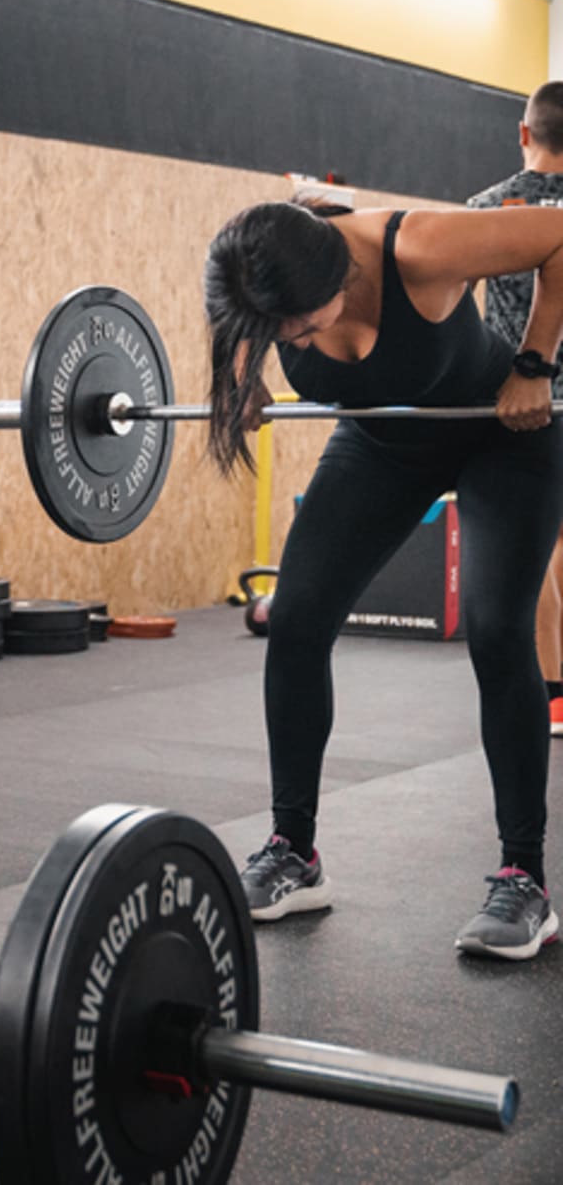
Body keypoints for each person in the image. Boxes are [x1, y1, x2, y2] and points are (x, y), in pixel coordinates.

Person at [204, 194, 563, 959]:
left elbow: (560, 238)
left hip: (498, 431)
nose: (292, 341)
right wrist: (244, 374)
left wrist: (535, 365)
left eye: (299, 326)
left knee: (498, 630)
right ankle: (293, 852)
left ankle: (522, 880)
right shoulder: (260, 268)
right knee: (295, 621)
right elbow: (240, 318)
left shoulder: (420, 249)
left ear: (336, 275)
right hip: (381, 443)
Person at [468, 81, 563, 737]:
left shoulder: (482, 211)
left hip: (518, 405)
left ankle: (553, 693)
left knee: (536, 551)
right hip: (537, 398)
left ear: (524, 132)